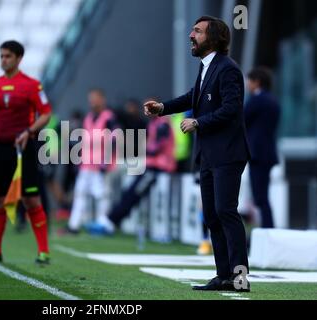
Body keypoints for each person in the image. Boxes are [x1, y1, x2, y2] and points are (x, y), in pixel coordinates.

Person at [144, 16, 251, 292]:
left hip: (227, 153)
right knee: (213, 216)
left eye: (198, 31)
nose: (191, 35)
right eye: (193, 30)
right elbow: (193, 97)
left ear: (214, 38)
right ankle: (224, 275)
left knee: (226, 211)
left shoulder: (227, 69)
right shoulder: (208, 68)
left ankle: (239, 278)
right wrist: (162, 108)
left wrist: (198, 122)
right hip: (209, 155)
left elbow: (232, 108)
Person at [0, 40, 52, 264]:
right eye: (1, 56)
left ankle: (43, 251)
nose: (3, 60)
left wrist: (30, 131)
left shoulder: (32, 86)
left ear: (19, 58)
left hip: (23, 149)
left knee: (31, 200)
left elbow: (45, 113)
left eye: (7, 56)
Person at [86, 109, 176, 235]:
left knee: (132, 192)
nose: (147, 111)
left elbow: (156, 148)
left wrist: (140, 148)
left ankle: (109, 221)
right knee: (123, 181)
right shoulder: (153, 123)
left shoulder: (162, 124)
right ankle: (108, 218)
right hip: (148, 164)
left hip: (159, 167)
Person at [66, 89, 118, 234]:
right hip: (86, 163)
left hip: (101, 165)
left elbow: (115, 139)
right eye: (91, 99)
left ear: (102, 100)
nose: (92, 102)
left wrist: (106, 161)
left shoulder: (109, 118)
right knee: (80, 193)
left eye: (95, 99)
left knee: (102, 196)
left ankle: (104, 225)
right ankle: (73, 225)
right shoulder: (89, 117)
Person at [245, 67, 281, 228]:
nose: (247, 85)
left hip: (259, 155)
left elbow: (242, 119)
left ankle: (268, 231)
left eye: (249, 81)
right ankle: (267, 230)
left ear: (257, 82)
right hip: (267, 153)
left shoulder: (258, 100)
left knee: (260, 197)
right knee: (261, 196)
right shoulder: (273, 100)